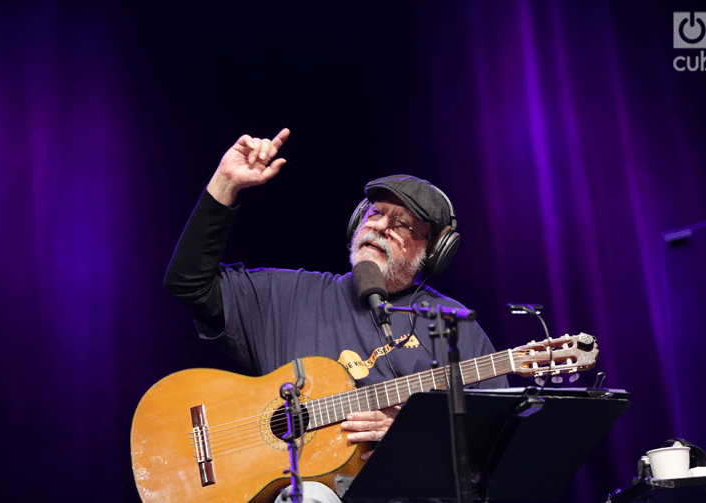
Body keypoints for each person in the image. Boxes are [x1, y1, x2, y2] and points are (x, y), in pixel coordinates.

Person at [163, 128, 508, 503]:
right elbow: (189, 283)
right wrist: (224, 184)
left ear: (434, 251)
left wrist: (408, 442)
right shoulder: (291, 296)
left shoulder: (453, 324)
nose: (379, 226)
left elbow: (488, 455)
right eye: (376, 213)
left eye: (402, 224)